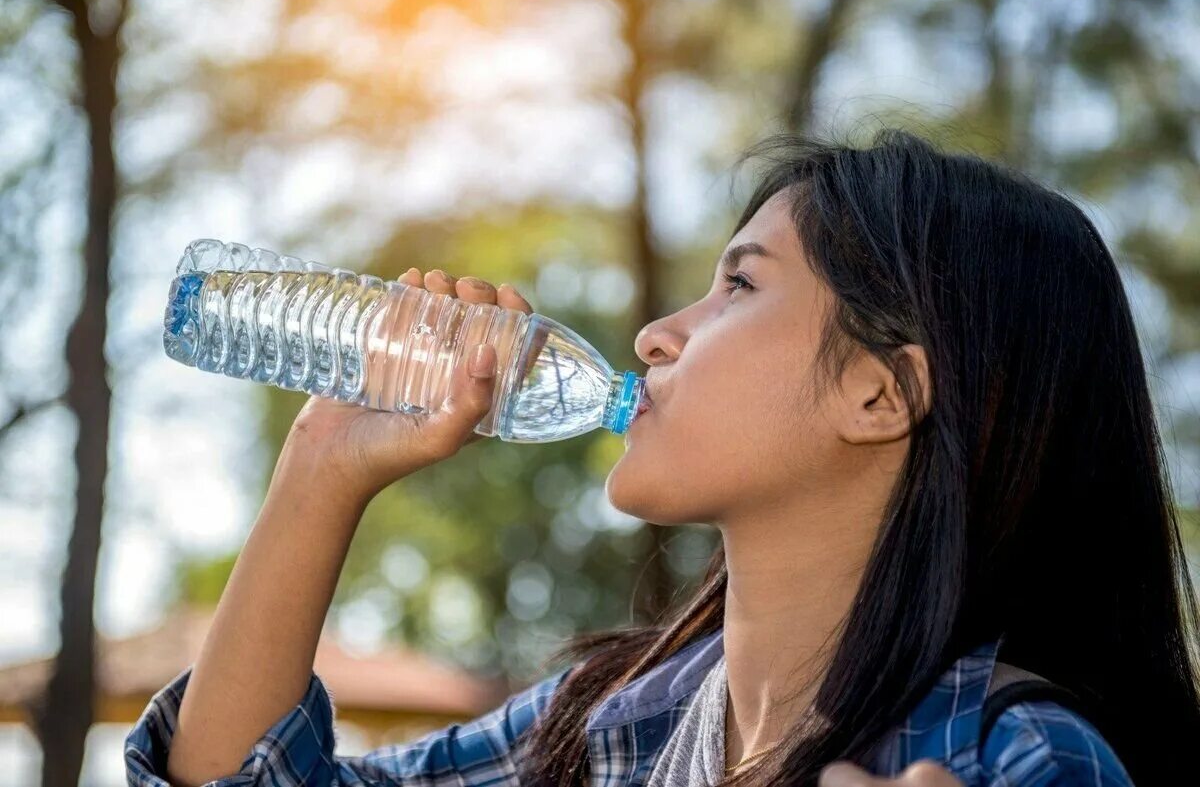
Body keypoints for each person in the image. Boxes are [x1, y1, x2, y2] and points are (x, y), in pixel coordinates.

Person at [125, 130, 1200, 787]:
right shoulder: (607, 730)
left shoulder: (1011, 759)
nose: (655, 335)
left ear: (880, 393)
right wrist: (324, 466)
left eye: (738, 285)